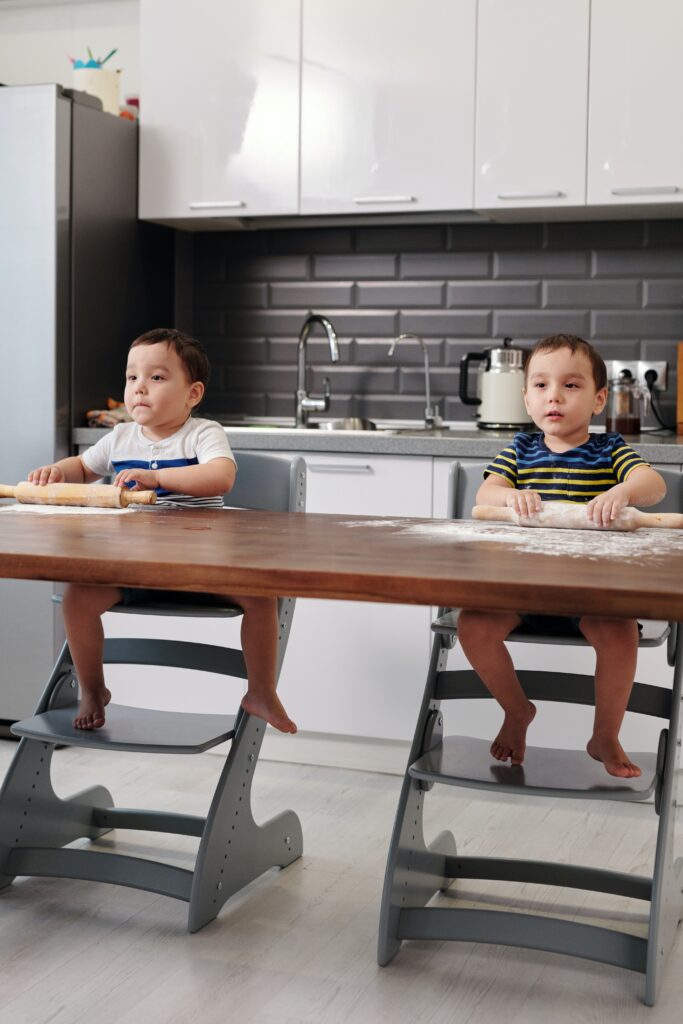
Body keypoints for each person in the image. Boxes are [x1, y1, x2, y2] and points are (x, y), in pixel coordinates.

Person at [28, 327, 297, 735]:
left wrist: (158, 480)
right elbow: (83, 469)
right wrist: (56, 471)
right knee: (76, 599)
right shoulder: (120, 437)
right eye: (132, 377)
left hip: (201, 568)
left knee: (261, 595)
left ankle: (260, 691)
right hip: (133, 568)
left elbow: (221, 476)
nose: (139, 388)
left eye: (156, 377)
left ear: (193, 394)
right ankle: (93, 688)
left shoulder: (202, 434)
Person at [457, 334, 666, 779]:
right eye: (541, 386)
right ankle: (517, 711)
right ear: (527, 399)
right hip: (522, 589)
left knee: (620, 635)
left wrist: (623, 491)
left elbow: (654, 485)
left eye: (571, 386)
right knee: (473, 625)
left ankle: (604, 734)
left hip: (593, 594)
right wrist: (513, 495)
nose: (554, 396)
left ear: (599, 399)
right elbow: (486, 493)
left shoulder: (609, 450)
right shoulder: (520, 450)